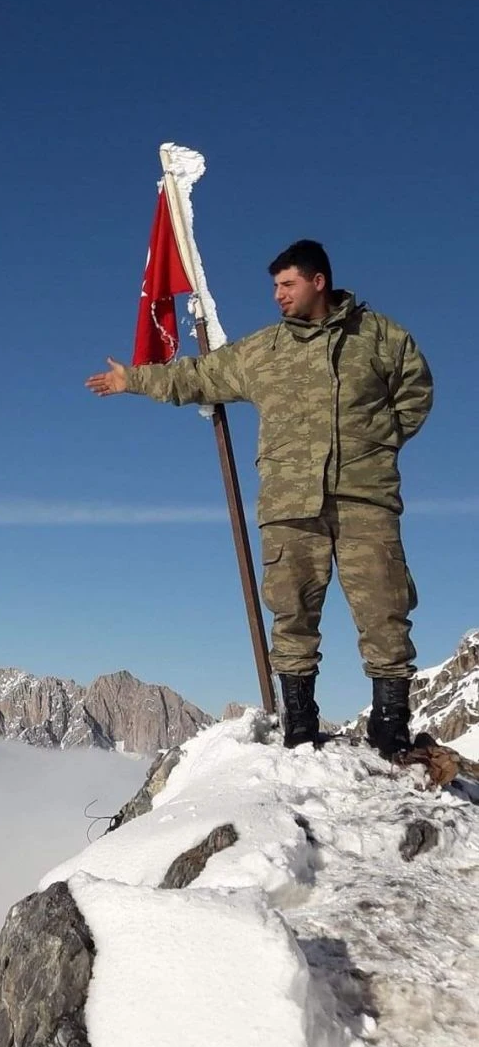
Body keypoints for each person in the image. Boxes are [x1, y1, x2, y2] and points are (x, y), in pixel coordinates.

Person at [85, 240, 433, 756]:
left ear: (319, 282)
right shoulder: (263, 350)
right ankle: (299, 726)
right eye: (274, 286)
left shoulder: (380, 337)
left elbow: (416, 392)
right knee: (291, 614)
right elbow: (198, 376)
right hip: (288, 504)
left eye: (287, 285)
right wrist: (132, 379)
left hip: (366, 499)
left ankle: (391, 731)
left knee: (385, 611)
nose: (278, 296)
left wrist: (376, 448)